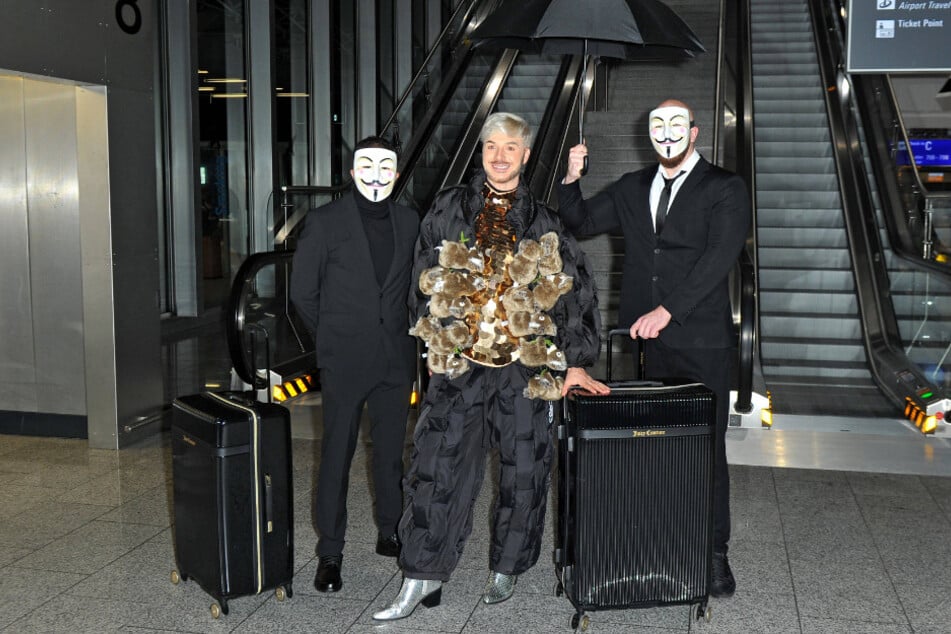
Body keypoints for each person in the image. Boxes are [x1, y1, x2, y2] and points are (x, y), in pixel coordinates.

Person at [372, 112, 609, 621]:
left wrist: (572, 363)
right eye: (491, 147)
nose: (499, 157)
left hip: (523, 370)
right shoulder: (448, 208)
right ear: (481, 153)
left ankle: (508, 566)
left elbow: (577, 295)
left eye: (510, 148)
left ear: (526, 156)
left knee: (525, 471)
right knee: (437, 468)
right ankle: (420, 575)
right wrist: (435, 344)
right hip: (461, 366)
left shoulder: (546, 222)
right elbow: (421, 277)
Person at [555, 99, 751, 598]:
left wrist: (669, 309)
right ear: (648, 135)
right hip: (646, 344)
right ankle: (662, 541)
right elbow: (578, 223)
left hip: (701, 338)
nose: (665, 133)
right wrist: (571, 177)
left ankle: (713, 554)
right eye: (656, 126)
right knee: (653, 440)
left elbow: (719, 257)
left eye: (675, 125)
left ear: (694, 131)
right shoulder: (631, 186)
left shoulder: (724, 187)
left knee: (707, 448)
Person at [290, 136, 419, 593]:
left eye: (387, 166)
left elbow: (415, 287)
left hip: (395, 356)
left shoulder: (410, 221)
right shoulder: (325, 223)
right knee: (337, 453)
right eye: (367, 164)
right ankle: (330, 550)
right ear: (351, 171)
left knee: (389, 452)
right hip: (344, 358)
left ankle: (390, 530)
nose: (377, 174)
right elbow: (302, 293)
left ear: (398, 174)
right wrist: (331, 337)